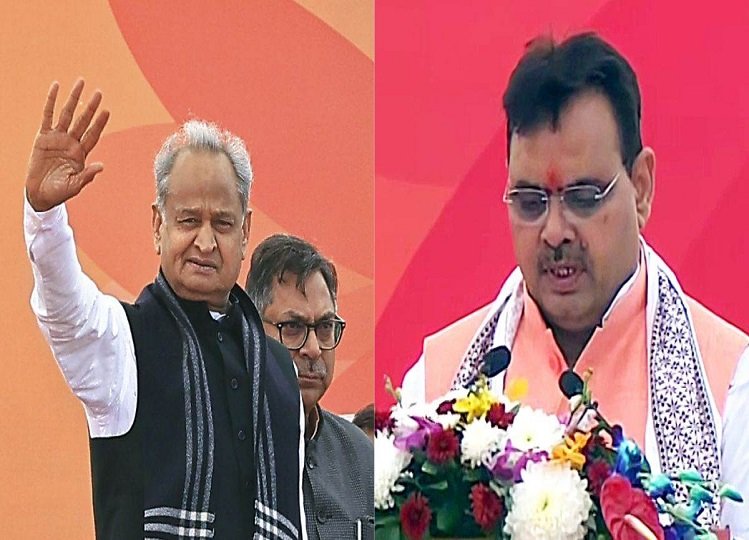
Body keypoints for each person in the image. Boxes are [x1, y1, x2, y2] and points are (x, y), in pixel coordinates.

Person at [400, 33, 749, 533]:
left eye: (583, 197)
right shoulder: (437, 387)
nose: (555, 231)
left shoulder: (731, 388)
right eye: (530, 202)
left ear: (641, 188)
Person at [24, 80, 306, 539]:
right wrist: (44, 216)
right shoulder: (123, 341)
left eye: (223, 223)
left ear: (245, 232)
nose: (206, 242)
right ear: (159, 225)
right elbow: (64, 310)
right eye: (189, 220)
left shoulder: (279, 370)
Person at [246, 234, 374, 540]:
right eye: (293, 328)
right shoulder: (221, 449)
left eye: (325, 327)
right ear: (251, 332)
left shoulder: (361, 454)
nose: (314, 349)